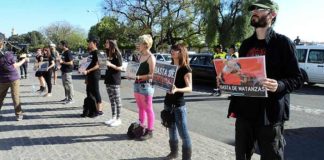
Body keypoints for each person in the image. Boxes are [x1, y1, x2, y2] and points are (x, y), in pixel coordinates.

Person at [228, 1, 304, 159]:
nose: (254, 12)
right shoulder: (246, 45)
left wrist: (279, 84)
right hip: (244, 114)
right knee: (241, 156)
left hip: (269, 116)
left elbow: (297, 78)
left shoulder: (284, 43)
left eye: (259, 9)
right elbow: (240, 76)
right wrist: (225, 80)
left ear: (272, 15)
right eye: (253, 9)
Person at [164, 44, 192, 160]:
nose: (172, 51)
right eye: (172, 49)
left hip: (179, 105)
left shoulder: (186, 69)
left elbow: (190, 88)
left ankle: (186, 158)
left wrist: (177, 89)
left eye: (175, 50)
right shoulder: (170, 66)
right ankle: (173, 153)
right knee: (171, 130)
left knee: (183, 134)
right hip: (168, 103)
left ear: (181, 52)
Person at [134, 34, 156, 140]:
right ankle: (141, 126)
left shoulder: (151, 57)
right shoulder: (139, 56)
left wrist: (139, 77)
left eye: (140, 43)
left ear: (146, 45)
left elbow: (152, 75)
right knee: (140, 108)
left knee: (148, 108)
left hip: (146, 86)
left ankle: (150, 130)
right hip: (137, 84)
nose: (138, 45)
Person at [0, 33, 26, 121]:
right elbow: (15, 65)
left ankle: (19, 114)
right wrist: (24, 60)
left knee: (14, 97)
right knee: (14, 96)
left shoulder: (8, 53)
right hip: (8, 78)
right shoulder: (8, 53)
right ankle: (19, 114)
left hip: (10, 79)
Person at [103, 39, 123, 127]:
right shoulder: (107, 53)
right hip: (108, 79)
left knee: (117, 100)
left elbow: (120, 68)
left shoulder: (117, 54)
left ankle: (119, 118)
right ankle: (113, 117)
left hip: (115, 80)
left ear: (111, 44)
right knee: (111, 100)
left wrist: (110, 65)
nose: (105, 44)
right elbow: (104, 65)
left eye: (107, 42)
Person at [82, 36, 103, 117]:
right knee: (89, 93)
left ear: (94, 43)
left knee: (96, 92)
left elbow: (100, 65)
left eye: (90, 42)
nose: (88, 43)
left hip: (95, 75)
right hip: (88, 75)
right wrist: (85, 73)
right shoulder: (90, 53)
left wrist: (88, 71)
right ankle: (91, 110)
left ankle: (100, 110)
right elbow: (86, 65)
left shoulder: (100, 53)